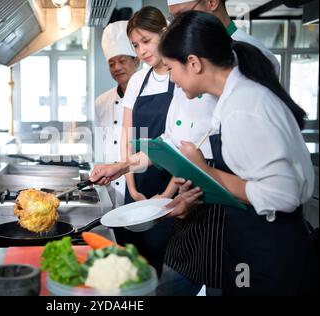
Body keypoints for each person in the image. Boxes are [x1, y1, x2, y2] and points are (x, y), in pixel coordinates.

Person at [93, 10, 318, 295]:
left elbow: (282, 196)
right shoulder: (227, 99)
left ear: (194, 64)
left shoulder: (246, 106)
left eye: (172, 68)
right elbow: (173, 144)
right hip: (241, 229)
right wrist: (122, 166)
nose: (170, 78)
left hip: (268, 244)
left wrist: (205, 171)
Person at [115, 6, 176, 276]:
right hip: (138, 183)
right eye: (135, 45)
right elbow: (127, 136)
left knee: (168, 271)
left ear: (164, 32)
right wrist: (131, 186)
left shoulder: (182, 74)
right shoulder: (138, 80)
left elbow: (184, 141)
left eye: (146, 41)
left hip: (172, 187)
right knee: (136, 270)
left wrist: (166, 196)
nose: (140, 51)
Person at [94, 20, 139, 208]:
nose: (117, 68)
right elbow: (99, 145)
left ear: (136, 60)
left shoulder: (147, 98)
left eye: (122, 61)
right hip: (110, 187)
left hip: (139, 185)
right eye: (111, 63)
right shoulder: (101, 101)